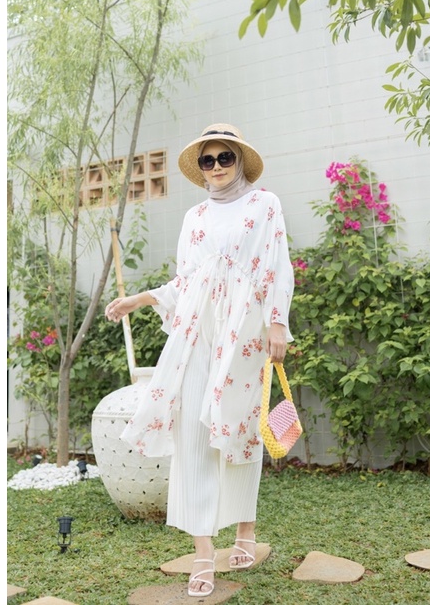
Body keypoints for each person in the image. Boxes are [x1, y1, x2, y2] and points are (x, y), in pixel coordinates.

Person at [105, 123, 294, 597]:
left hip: (245, 334)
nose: (216, 167)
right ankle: (203, 553)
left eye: (224, 157)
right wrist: (140, 299)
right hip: (196, 334)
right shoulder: (194, 218)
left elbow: (278, 267)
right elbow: (185, 281)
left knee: (240, 433)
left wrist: (277, 323)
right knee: (192, 435)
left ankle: (245, 530)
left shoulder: (265, 204)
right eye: (207, 160)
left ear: (239, 160)